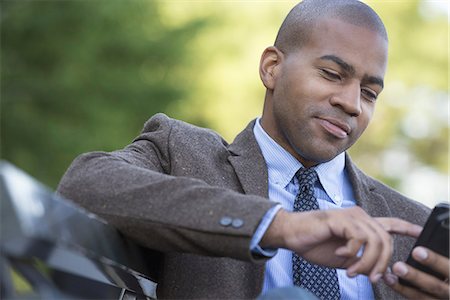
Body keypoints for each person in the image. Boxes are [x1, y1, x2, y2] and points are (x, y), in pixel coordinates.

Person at [57, 0, 449, 299]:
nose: (351, 103)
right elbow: (85, 184)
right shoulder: (183, 153)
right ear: (272, 68)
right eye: (332, 74)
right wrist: (281, 226)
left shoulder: (411, 228)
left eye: (369, 93)